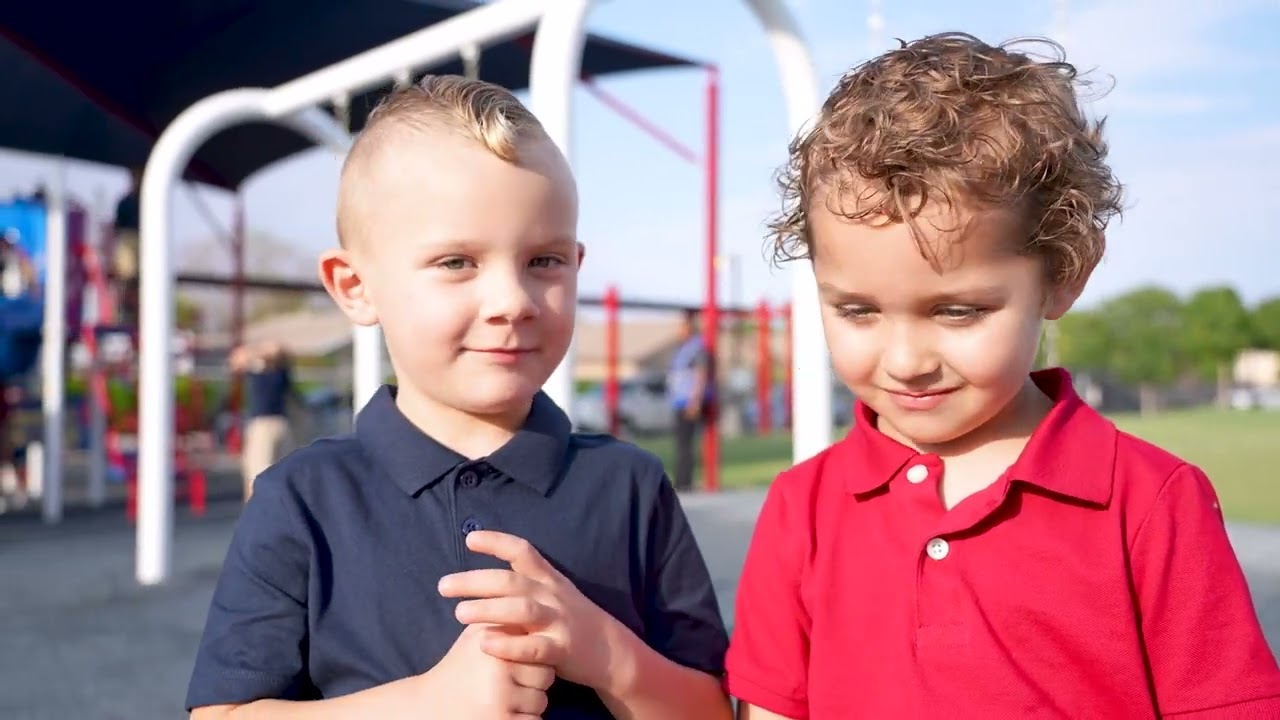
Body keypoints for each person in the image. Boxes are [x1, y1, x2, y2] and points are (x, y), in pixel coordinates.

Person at [725, 33, 1280, 719]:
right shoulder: (801, 507)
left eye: (958, 311)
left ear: (1064, 274)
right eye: (858, 310)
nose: (905, 360)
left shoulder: (1151, 502)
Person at [186, 75, 731, 720]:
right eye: (456, 262)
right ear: (355, 285)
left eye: (544, 261)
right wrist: (422, 705)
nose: (511, 302)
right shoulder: (302, 499)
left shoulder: (630, 487)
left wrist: (604, 651)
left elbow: (714, 708)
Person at [230, 340, 295, 502]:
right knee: (257, 473)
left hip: (274, 424)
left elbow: (280, 354)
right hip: (264, 424)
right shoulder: (257, 371)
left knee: (277, 471)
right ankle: (253, 512)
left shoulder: (280, 372)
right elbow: (238, 361)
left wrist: (261, 352)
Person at [666, 309, 713, 491]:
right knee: (681, 443)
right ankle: (681, 480)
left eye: (681, 326)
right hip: (679, 401)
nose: (678, 330)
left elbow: (700, 374)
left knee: (686, 444)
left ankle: (685, 482)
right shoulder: (682, 348)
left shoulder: (697, 347)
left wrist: (695, 401)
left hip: (689, 402)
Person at [111, 166, 142, 327]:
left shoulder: (149, 200)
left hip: (144, 243)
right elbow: (117, 228)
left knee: (139, 284)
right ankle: (125, 320)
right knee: (127, 281)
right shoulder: (125, 202)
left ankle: (138, 319)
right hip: (128, 241)